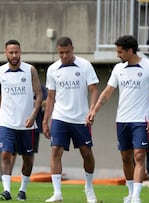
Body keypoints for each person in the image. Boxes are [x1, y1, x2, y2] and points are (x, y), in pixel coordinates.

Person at [86, 35, 149, 203]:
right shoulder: (118, 69)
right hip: (122, 120)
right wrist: (94, 110)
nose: (118, 55)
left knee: (139, 156)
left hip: (141, 120)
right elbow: (107, 92)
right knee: (126, 157)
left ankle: (136, 197)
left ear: (130, 50)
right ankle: (130, 192)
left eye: (120, 52)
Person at [42, 37, 99, 203]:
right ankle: (57, 193)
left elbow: (94, 89)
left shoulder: (85, 65)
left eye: (67, 52)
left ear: (72, 49)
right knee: (55, 151)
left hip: (81, 118)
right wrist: (46, 121)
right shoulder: (52, 69)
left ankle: (89, 188)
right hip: (60, 117)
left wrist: (92, 110)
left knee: (86, 152)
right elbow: (51, 98)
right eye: (61, 53)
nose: (64, 56)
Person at [0, 39, 42, 201]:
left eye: (16, 52)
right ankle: (6, 190)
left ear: (20, 52)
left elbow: (39, 95)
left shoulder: (30, 70)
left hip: (27, 123)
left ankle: (23, 190)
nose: (14, 55)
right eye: (11, 52)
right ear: (5, 53)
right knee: (5, 153)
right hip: (6, 121)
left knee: (27, 158)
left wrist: (33, 115)